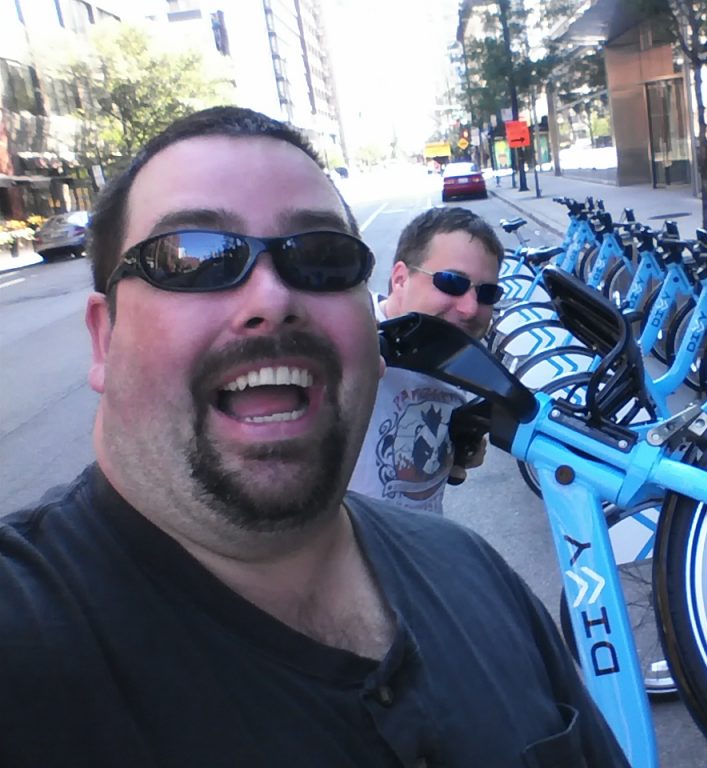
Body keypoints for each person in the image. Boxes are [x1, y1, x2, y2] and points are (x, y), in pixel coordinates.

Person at [0, 106, 629, 767]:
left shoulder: (476, 574)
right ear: (105, 339)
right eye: (192, 257)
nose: (272, 297)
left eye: (323, 258)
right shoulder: (26, 636)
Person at [349, 206, 503, 514]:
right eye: (451, 282)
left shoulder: (458, 356)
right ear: (400, 279)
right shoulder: (351, 345)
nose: (470, 308)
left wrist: (453, 454)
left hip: (416, 547)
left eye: (487, 293)